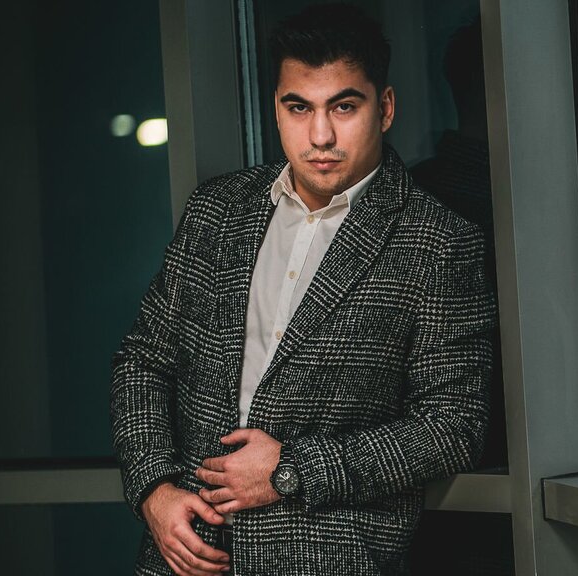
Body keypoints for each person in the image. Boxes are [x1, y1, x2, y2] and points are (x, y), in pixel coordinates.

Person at [110, 4, 495, 575]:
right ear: (277, 109)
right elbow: (144, 360)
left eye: (344, 106)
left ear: (385, 108)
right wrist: (153, 490)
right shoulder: (217, 211)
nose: (320, 136)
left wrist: (293, 470)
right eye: (299, 108)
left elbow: (452, 427)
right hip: (185, 560)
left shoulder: (438, 243)